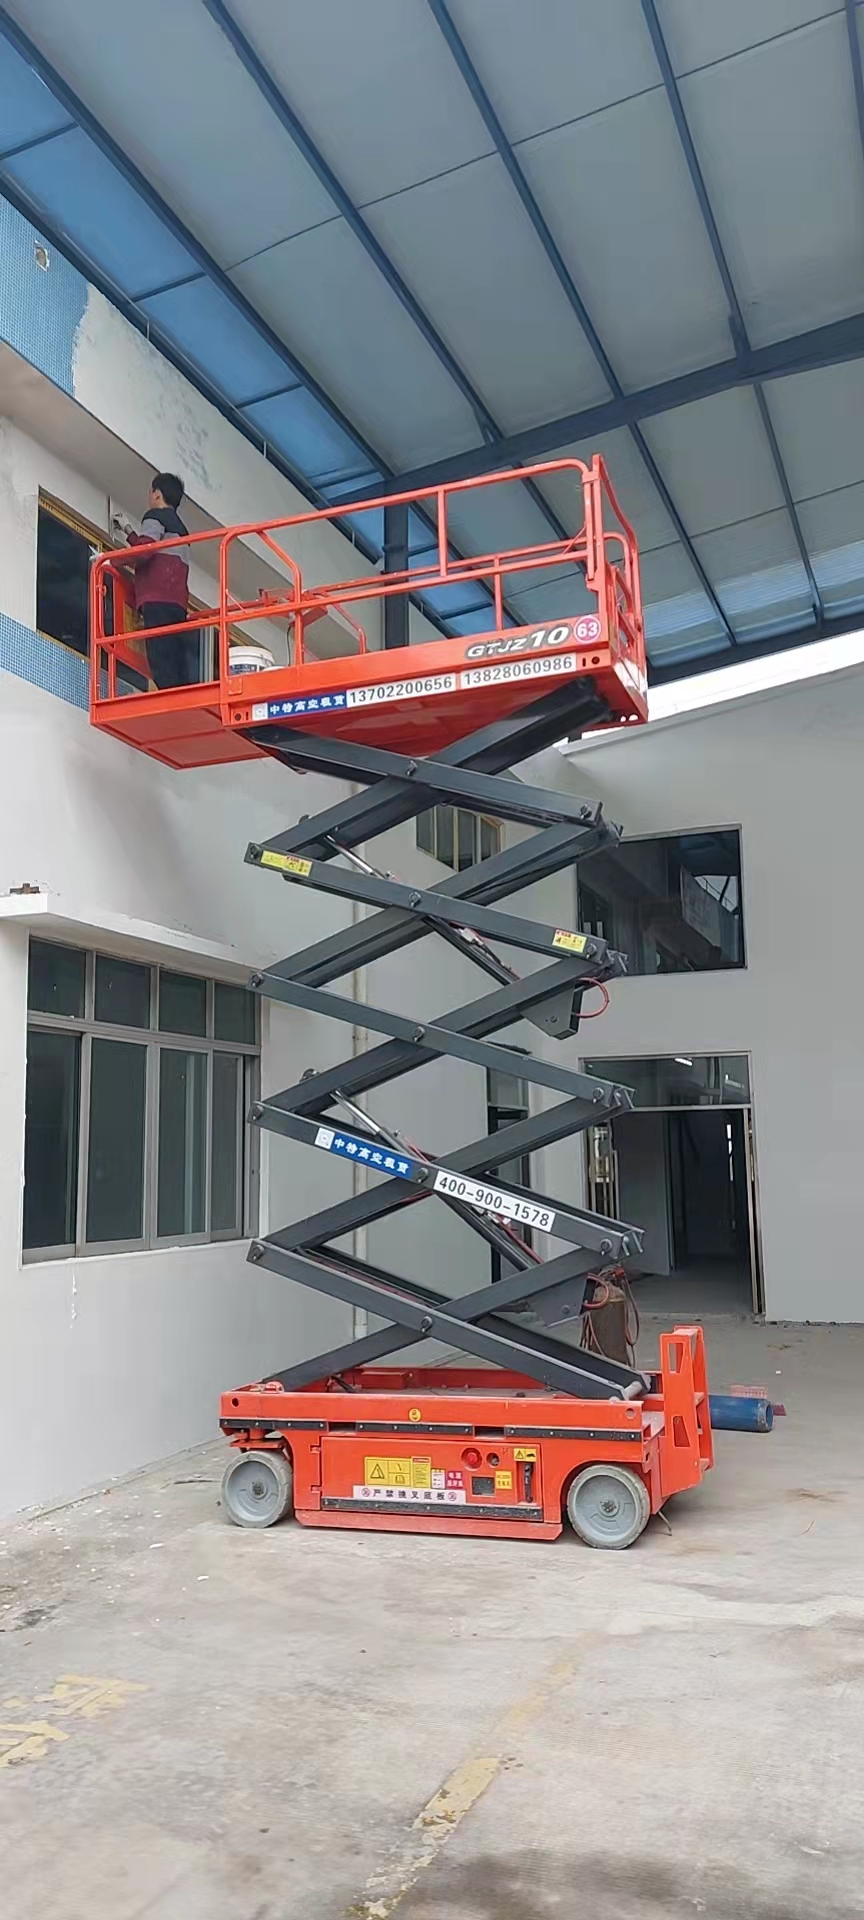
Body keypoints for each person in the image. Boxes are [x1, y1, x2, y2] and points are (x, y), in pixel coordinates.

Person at [112, 474, 197, 689]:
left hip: (157, 599)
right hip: (177, 603)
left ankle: (170, 698)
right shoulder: (182, 531)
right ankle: (183, 696)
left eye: (150, 492)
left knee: (160, 660)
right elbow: (151, 548)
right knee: (174, 657)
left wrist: (110, 560)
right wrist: (128, 531)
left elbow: (144, 552)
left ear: (157, 494)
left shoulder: (155, 516)